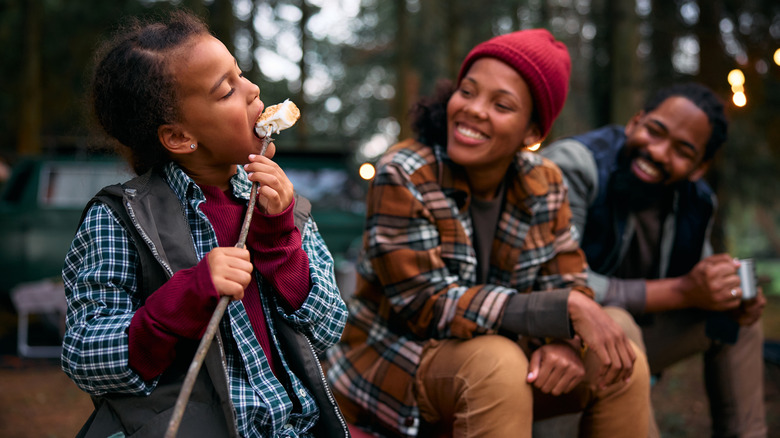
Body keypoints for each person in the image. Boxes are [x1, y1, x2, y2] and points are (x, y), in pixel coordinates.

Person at [325, 29, 651, 438]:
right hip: (395, 364)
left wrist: (565, 342)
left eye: (501, 104)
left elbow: (566, 278)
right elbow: (429, 304)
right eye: (468, 91)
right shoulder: (406, 172)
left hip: (500, 357)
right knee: (498, 364)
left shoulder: (544, 182)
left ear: (532, 133)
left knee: (620, 363)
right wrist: (560, 312)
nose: (474, 110)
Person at [60, 10, 348, 437]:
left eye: (242, 73)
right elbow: (87, 358)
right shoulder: (121, 218)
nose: (253, 90)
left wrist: (281, 243)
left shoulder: (284, 210)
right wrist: (184, 297)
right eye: (226, 90)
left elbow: (328, 330)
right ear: (179, 137)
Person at [540, 83, 767, 437]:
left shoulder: (697, 201)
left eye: (682, 151)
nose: (659, 152)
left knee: (735, 322)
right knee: (617, 324)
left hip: (637, 339)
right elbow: (552, 283)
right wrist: (682, 292)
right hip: (556, 337)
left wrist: (728, 294)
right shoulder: (574, 165)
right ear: (635, 122)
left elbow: (700, 279)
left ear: (698, 167)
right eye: (655, 131)